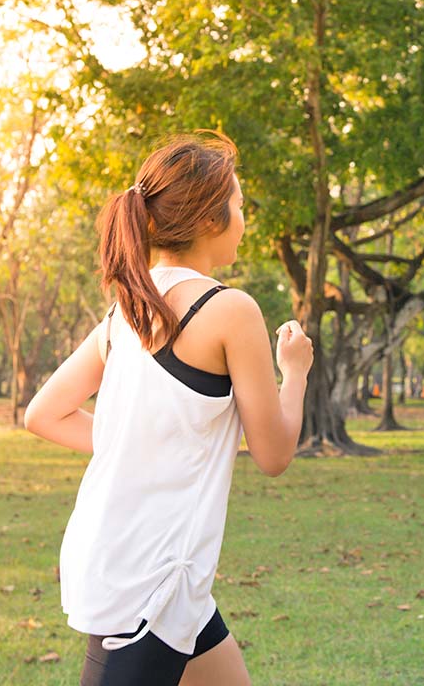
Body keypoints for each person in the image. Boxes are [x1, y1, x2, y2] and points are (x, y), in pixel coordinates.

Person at [23, 131, 313, 686]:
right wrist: (294, 373)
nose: (244, 219)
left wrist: (137, 441)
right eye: (240, 206)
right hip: (148, 583)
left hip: (156, 571)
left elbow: (45, 414)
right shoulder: (230, 309)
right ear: (210, 218)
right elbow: (273, 453)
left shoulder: (124, 312)